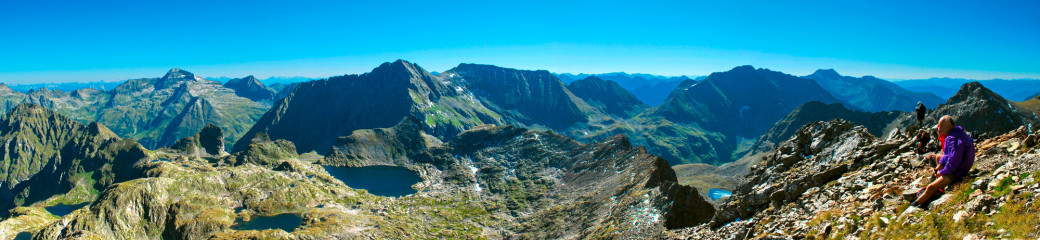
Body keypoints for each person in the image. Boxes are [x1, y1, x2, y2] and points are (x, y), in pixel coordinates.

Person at [912, 115, 975, 209]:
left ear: (949, 125)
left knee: (930, 188)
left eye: (940, 126)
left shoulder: (952, 138)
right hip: (963, 165)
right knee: (938, 157)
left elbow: (954, 160)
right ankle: (940, 183)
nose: (939, 130)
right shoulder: (958, 132)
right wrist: (941, 164)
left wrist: (942, 172)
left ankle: (914, 207)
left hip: (958, 171)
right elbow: (947, 154)